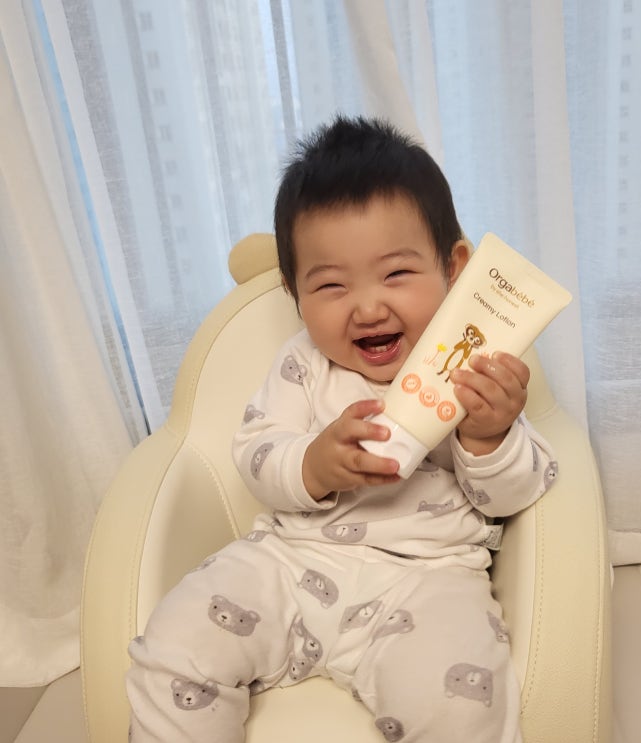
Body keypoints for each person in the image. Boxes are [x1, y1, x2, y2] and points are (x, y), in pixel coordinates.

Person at [127, 115, 558, 743]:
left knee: (462, 705)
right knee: (176, 644)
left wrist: (489, 436)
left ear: (454, 268)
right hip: (288, 560)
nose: (368, 307)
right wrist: (312, 464)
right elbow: (256, 451)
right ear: (294, 292)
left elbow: (519, 492)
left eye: (397, 274)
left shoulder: (472, 367)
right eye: (331, 285)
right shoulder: (304, 366)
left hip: (427, 578)